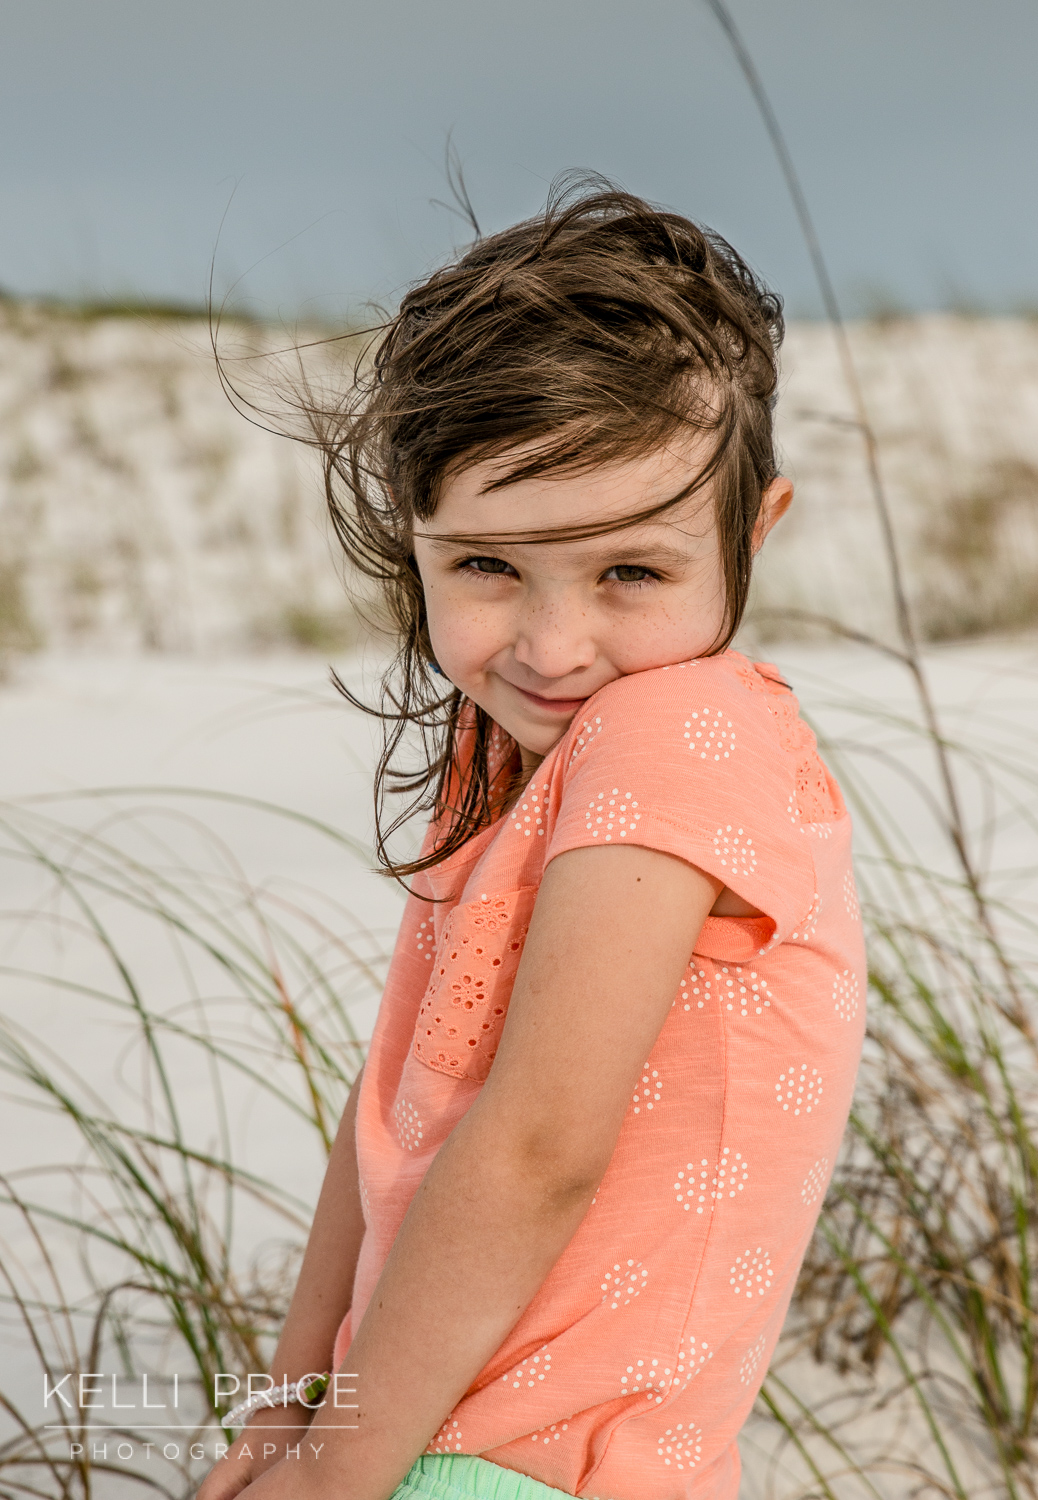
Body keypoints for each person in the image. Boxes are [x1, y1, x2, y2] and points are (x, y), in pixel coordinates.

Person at [198, 180, 866, 1500]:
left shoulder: (677, 728)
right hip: (424, 1431)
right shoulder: (511, 754)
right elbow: (391, 1115)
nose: (553, 648)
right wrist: (290, 1413)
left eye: (630, 571)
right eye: (489, 569)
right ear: (417, 544)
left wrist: (331, 1470)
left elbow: (540, 1145)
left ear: (754, 530)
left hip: (537, 1467)